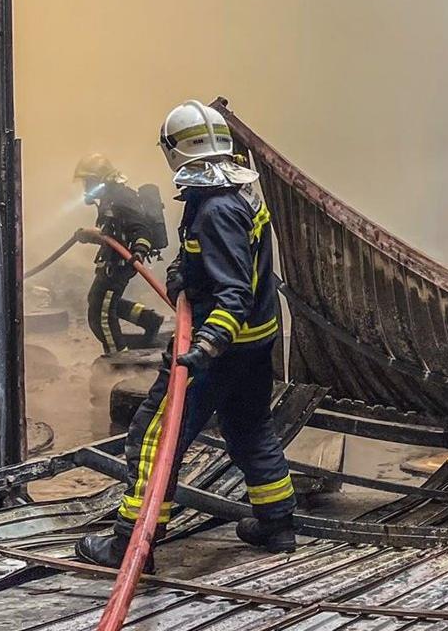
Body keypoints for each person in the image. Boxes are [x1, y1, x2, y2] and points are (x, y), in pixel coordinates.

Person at [75, 101, 296, 571]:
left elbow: (233, 291)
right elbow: (224, 265)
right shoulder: (239, 190)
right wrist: (182, 273)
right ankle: (277, 523)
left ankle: (133, 544)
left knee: (154, 436)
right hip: (256, 342)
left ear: (176, 150)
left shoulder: (214, 208)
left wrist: (204, 348)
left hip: (220, 346)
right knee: (248, 426)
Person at [74, 154, 166, 353]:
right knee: (99, 301)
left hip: (120, 264)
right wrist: (90, 235)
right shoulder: (112, 197)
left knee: (101, 316)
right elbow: (116, 233)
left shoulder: (120, 198)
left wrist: (139, 252)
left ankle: (117, 359)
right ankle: (148, 319)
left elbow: (141, 229)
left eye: (88, 181)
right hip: (114, 261)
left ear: (100, 180)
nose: (86, 186)